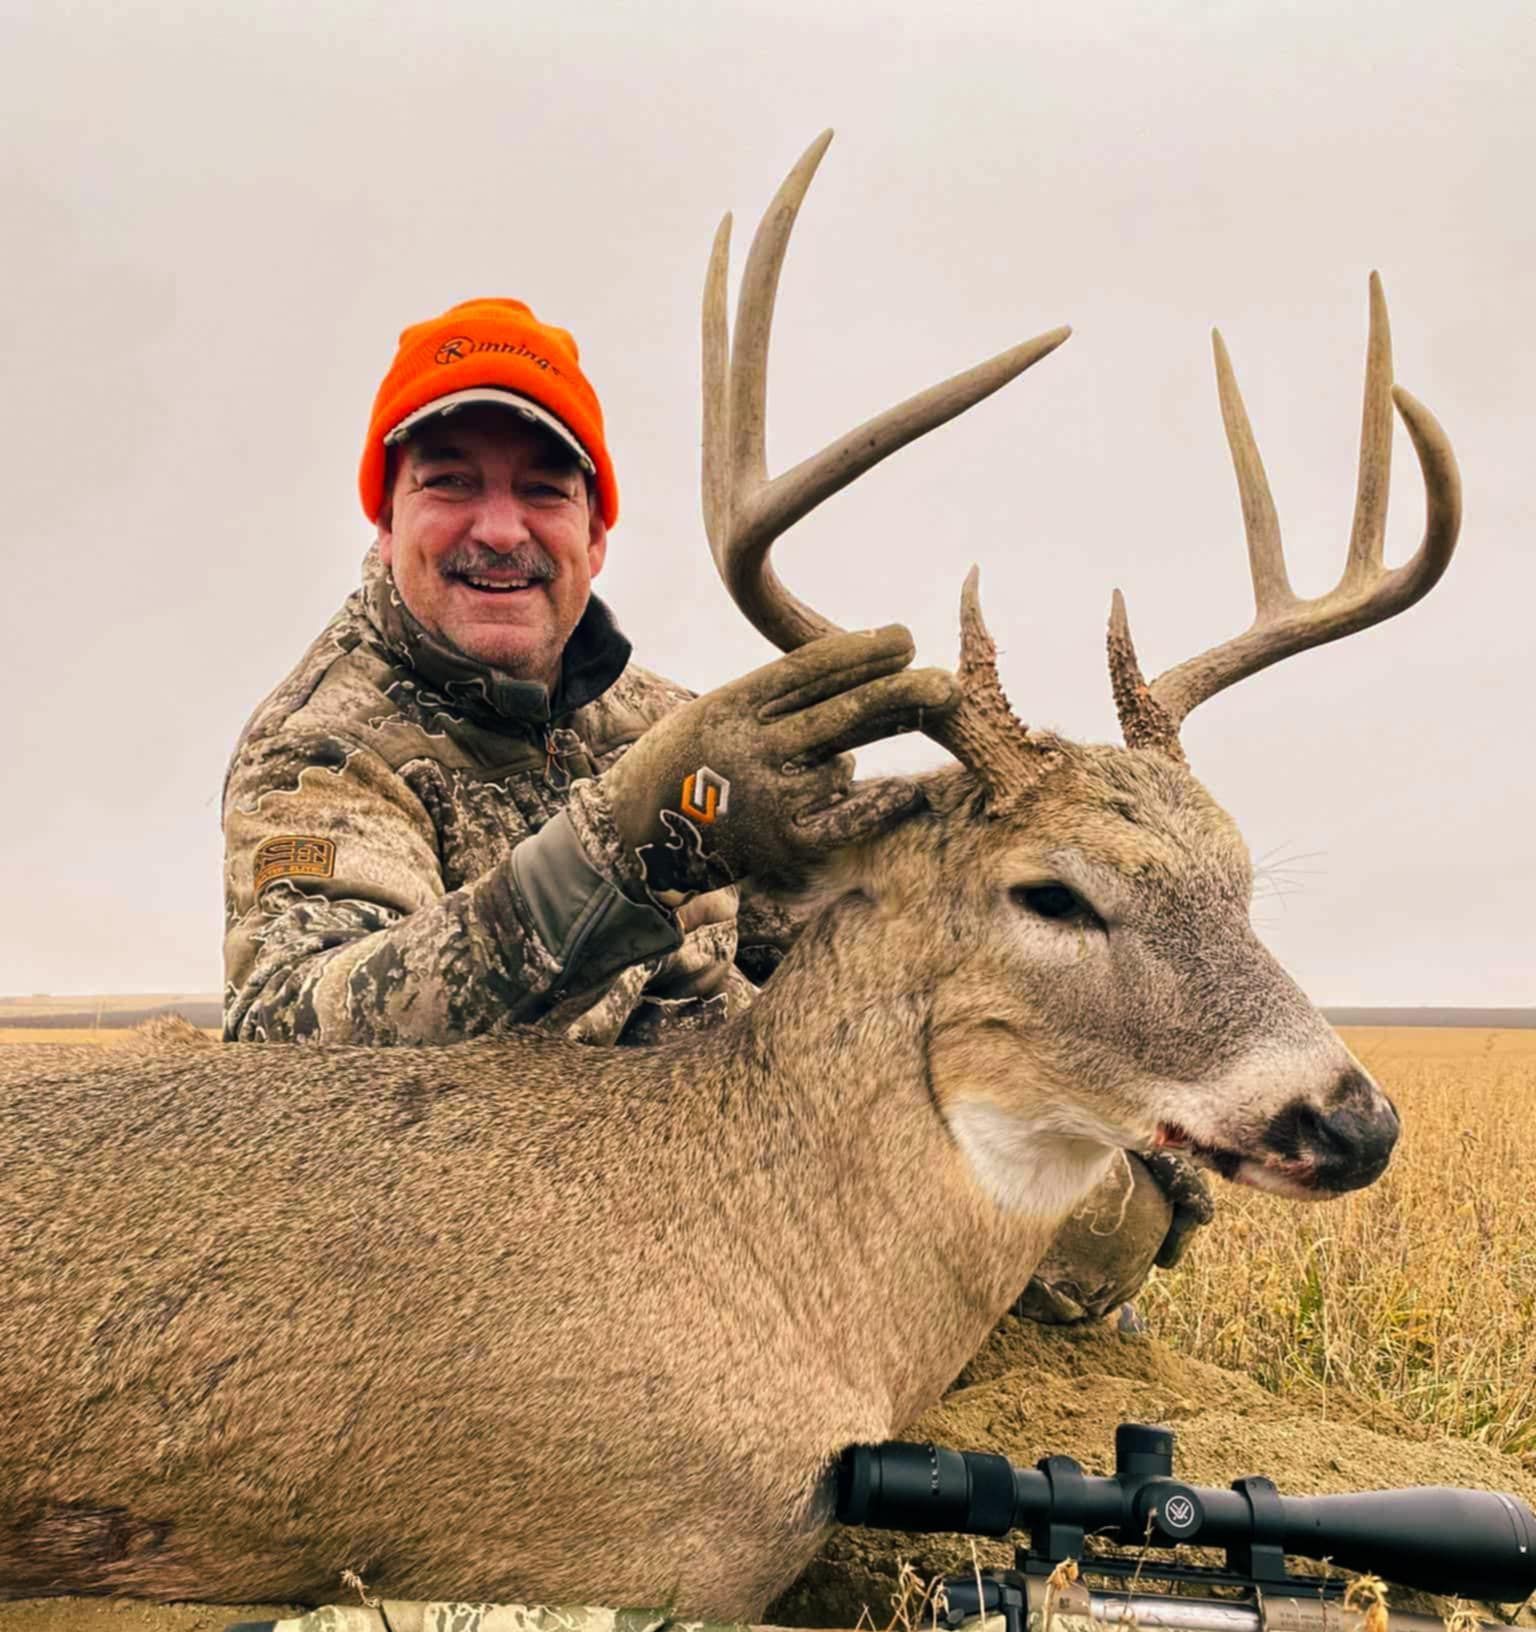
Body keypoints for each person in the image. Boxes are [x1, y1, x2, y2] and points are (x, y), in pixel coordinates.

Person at [223, 296, 1207, 1311]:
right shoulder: (324, 744)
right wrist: (624, 850)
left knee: (1103, 1226)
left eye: (545, 490)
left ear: (595, 537)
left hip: (732, 1145)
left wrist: (1113, 1049)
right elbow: (286, 1068)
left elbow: (857, 932)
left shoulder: (668, 724)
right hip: (490, 1217)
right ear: (386, 522)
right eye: (449, 484)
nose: (501, 527)